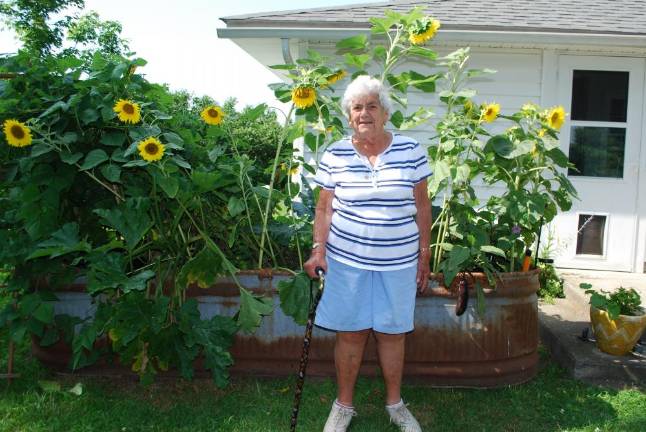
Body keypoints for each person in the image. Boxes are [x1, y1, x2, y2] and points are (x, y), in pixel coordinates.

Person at [304, 75, 432, 432]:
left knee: (393, 332)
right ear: (348, 116)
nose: (364, 113)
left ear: (385, 113)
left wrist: (425, 254)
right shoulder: (335, 153)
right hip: (347, 261)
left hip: (399, 260)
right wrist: (318, 252)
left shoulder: (410, 151)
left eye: (372, 106)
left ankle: (395, 404)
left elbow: (422, 206)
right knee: (352, 332)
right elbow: (324, 209)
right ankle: (343, 406)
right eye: (357, 107)